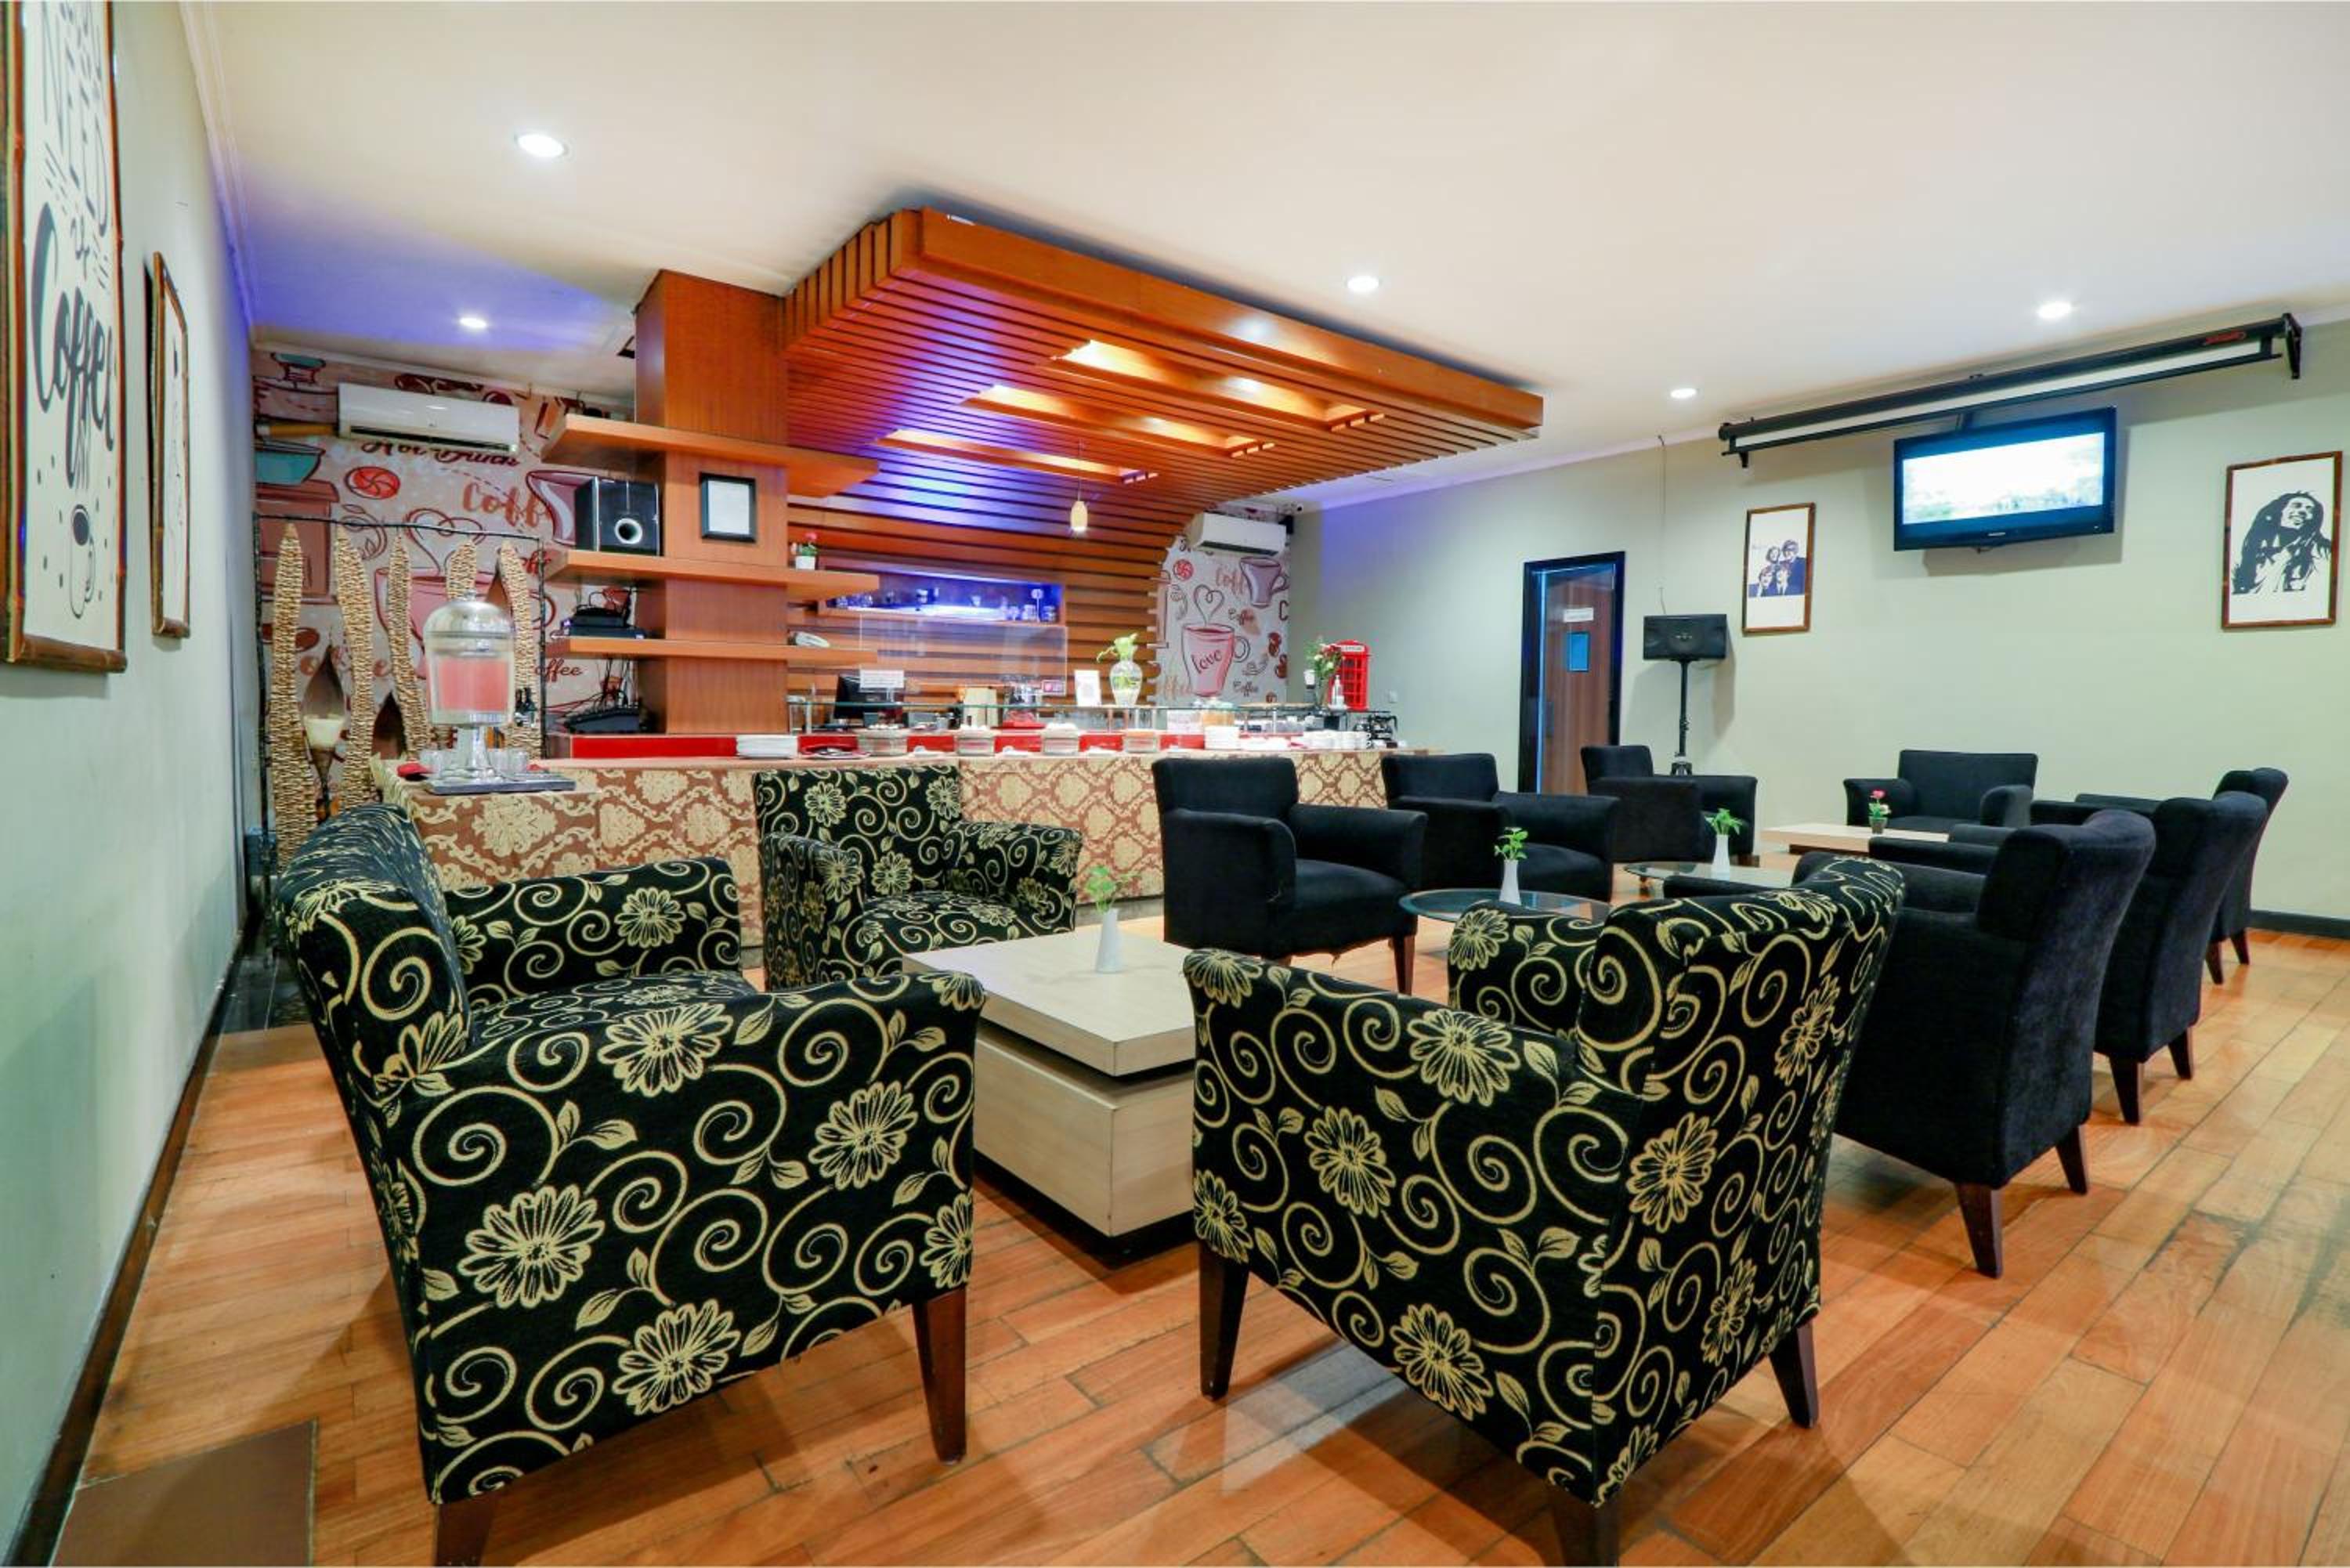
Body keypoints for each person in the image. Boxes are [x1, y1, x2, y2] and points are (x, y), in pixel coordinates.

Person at [2232, 490, 2332, 594]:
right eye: (2296, 506)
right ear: (2279, 511)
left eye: (2310, 510)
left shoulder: (2321, 551)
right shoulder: (2251, 549)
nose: (2303, 511)